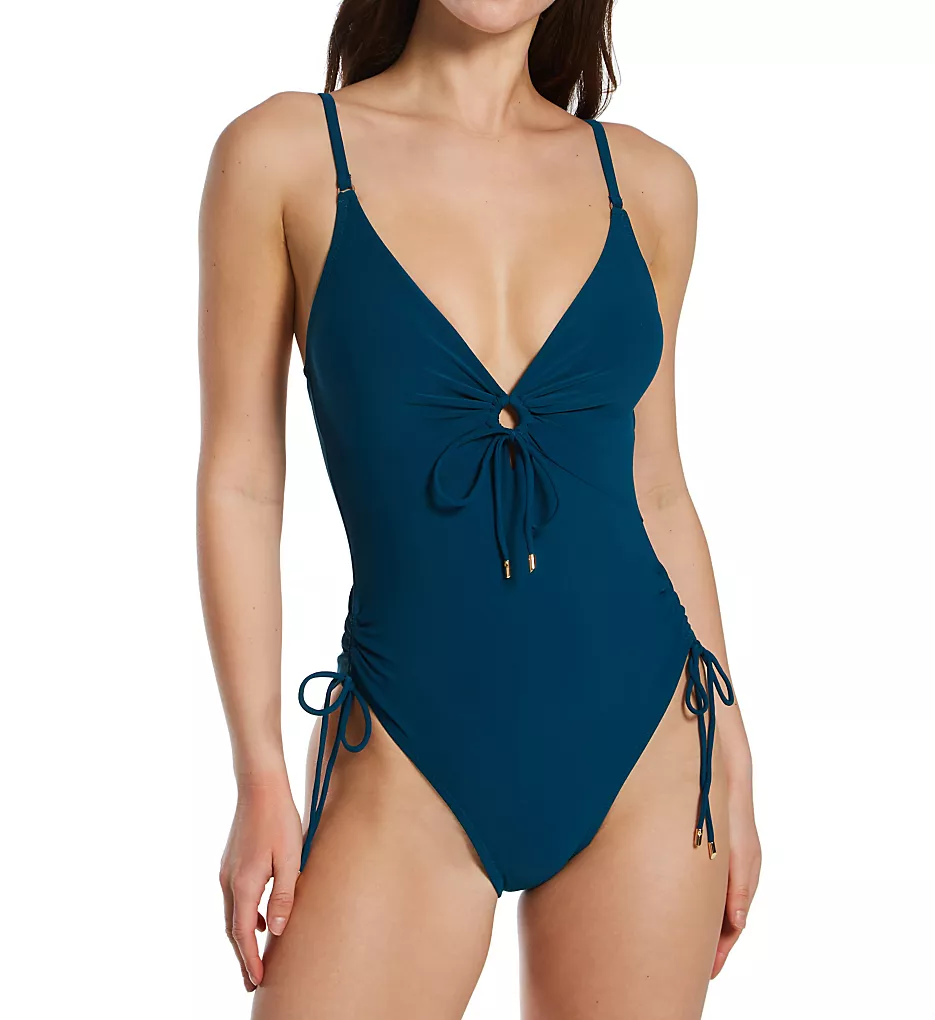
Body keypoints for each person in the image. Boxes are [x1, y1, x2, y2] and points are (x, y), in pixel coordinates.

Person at [197, 1, 761, 1016]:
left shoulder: (648, 185)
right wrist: (259, 775)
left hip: (646, 744)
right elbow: (240, 478)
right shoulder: (283, 155)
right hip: (404, 748)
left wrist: (731, 746)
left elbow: (658, 487)